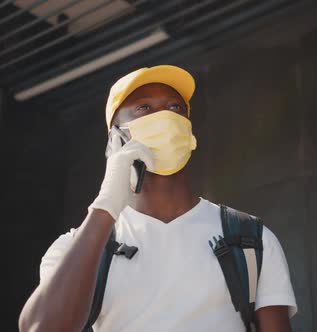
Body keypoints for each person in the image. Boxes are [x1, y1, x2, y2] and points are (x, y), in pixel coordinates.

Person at [18, 65, 297, 332]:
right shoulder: (76, 248)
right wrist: (106, 205)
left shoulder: (251, 239)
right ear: (116, 138)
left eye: (175, 108)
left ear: (189, 132)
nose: (165, 116)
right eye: (144, 108)